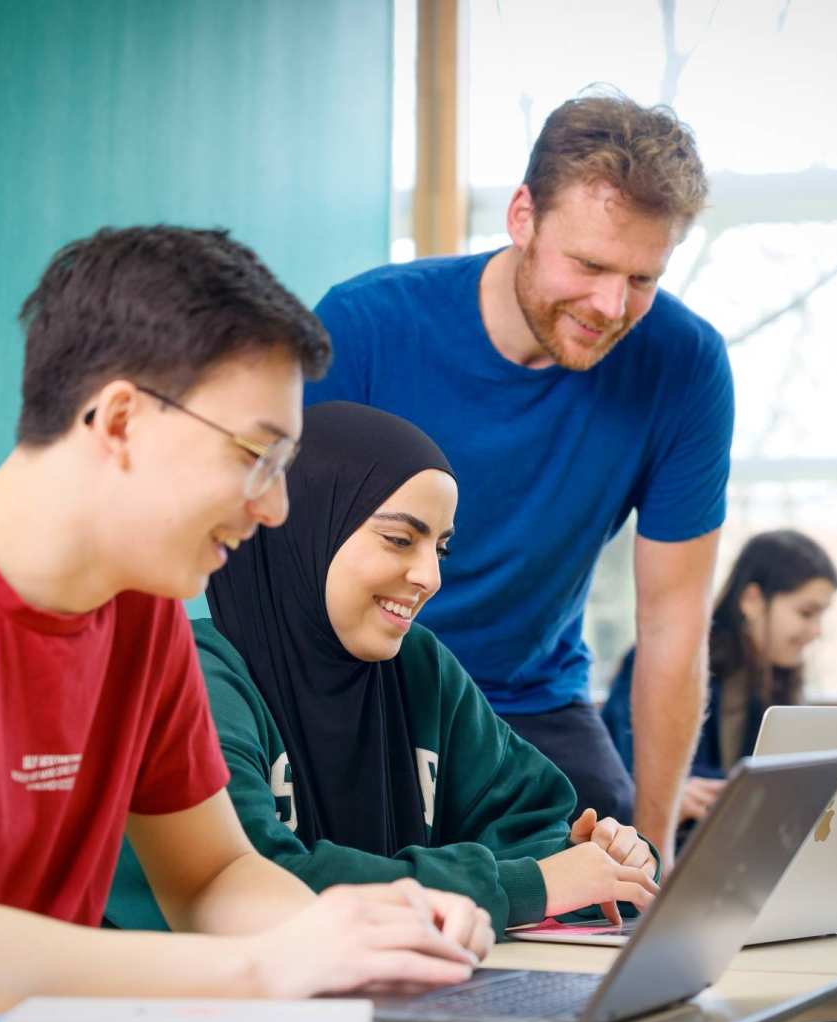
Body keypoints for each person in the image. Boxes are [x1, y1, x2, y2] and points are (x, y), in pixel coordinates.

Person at [0, 227, 492, 1022]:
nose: (275, 509)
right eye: (257, 456)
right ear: (120, 421)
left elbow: (211, 876)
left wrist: (363, 938)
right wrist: (263, 967)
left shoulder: (141, 615)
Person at [306, 89, 735, 863]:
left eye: (643, 278)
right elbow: (278, 562)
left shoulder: (684, 365)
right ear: (522, 218)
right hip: (359, 687)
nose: (611, 305)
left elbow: (673, 623)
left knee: (619, 900)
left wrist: (660, 847)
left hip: (532, 705)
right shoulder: (364, 326)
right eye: (590, 264)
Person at [108, 401, 659, 940]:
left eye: (441, 548)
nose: (430, 576)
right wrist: (529, 882)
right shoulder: (193, 677)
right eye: (399, 539)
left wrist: (591, 860)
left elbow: (533, 826)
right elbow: (259, 884)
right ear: (302, 531)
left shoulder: (418, 667)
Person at [603, 530, 837, 824]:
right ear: (752, 600)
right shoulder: (669, 664)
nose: (816, 631)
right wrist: (673, 793)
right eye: (806, 613)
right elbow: (617, 774)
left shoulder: (776, 681)